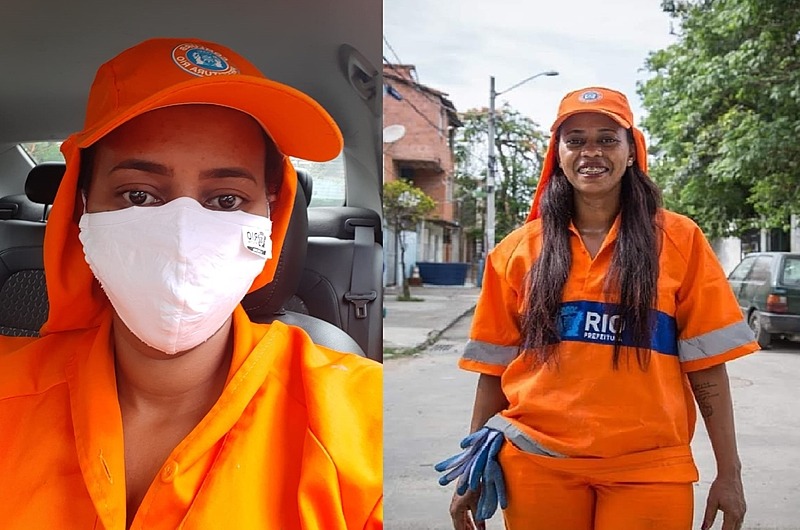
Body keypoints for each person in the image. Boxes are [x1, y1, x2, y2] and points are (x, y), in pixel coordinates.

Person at [0, 38, 382, 529]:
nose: (183, 232)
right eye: (139, 195)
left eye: (225, 200)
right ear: (81, 210)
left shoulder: (355, 419)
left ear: (272, 221)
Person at [439, 87, 757, 530]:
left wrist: (730, 473)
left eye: (607, 138)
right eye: (577, 140)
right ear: (559, 154)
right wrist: (471, 464)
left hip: (651, 467)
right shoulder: (516, 251)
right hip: (536, 462)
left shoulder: (679, 241)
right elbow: (493, 369)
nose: (592, 152)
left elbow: (707, 368)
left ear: (631, 152)